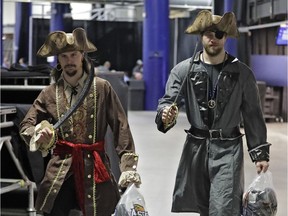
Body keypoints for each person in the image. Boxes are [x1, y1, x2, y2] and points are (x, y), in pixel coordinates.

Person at [155, 10, 271, 216]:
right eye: (208, 33)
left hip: (228, 149)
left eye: (219, 34)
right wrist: (165, 113)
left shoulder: (242, 73)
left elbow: (253, 113)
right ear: (201, 36)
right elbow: (167, 101)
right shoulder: (183, 70)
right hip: (196, 148)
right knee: (204, 208)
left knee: (224, 207)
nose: (213, 39)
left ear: (226, 37)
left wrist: (259, 152)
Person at [19, 27, 141, 216]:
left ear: (82, 55)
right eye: (64, 56)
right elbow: (26, 125)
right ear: (58, 60)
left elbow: (121, 126)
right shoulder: (49, 93)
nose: (69, 60)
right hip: (61, 168)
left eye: (73, 54)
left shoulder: (102, 88)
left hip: (95, 167)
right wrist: (38, 134)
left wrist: (128, 167)